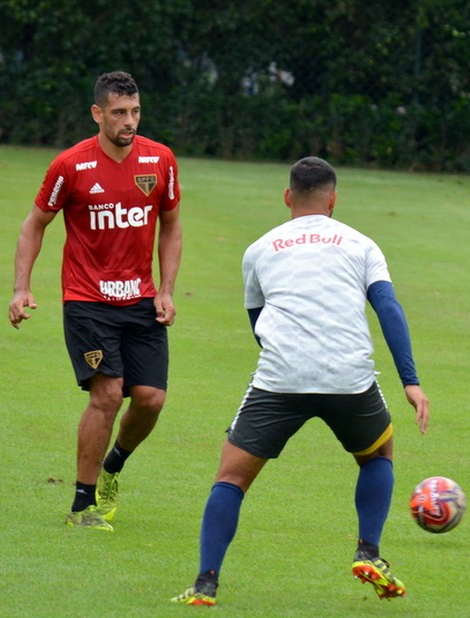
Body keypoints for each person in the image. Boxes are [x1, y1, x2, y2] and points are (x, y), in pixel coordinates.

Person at [172, 156, 429, 606]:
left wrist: (291, 359)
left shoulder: (259, 248)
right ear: (333, 199)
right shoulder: (361, 244)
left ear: (288, 197)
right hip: (349, 376)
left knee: (231, 478)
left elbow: (257, 320)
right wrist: (410, 380)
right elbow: (388, 308)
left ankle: (205, 584)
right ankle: (369, 551)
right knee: (377, 454)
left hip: (280, 377)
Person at [8, 70, 182, 532]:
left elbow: (172, 225)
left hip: (141, 300)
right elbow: (34, 224)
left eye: (136, 111)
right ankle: (82, 506)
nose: (130, 121)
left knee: (151, 400)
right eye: (120, 113)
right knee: (106, 395)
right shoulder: (70, 166)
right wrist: (21, 287)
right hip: (88, 300)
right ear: (98, 113)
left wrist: (165, 289)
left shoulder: (160, 160)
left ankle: (114, 465)